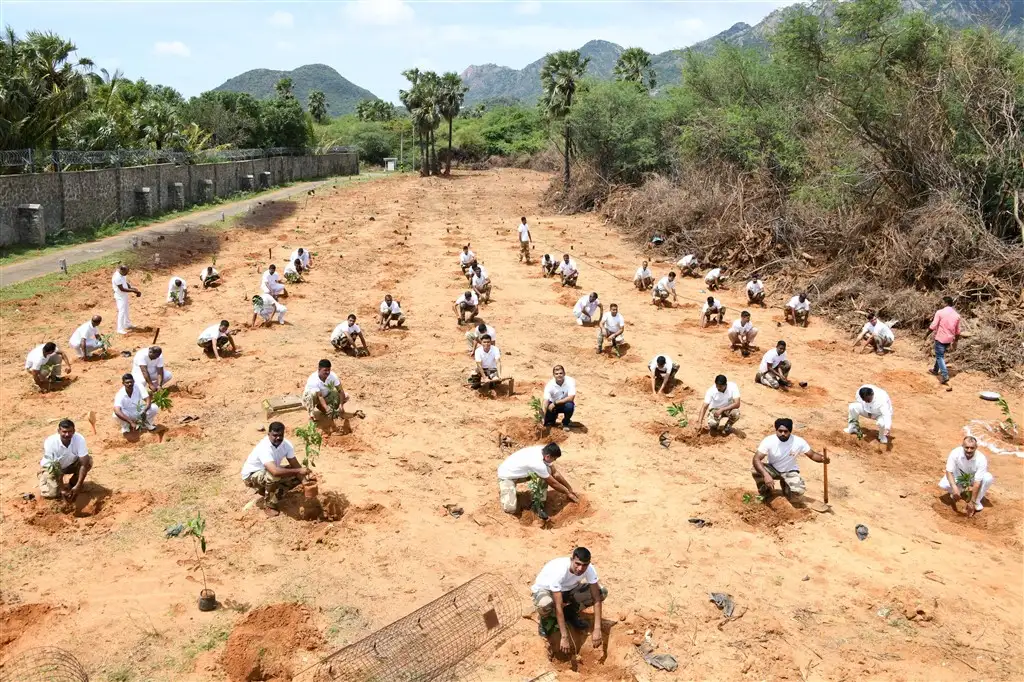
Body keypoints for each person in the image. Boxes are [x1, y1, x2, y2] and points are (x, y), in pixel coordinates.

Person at [532, 547, 606, 652]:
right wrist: (564, 636)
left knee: (602, 592)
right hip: (546, 590)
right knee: (545, 604)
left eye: (585, 565)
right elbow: (558, 605)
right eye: (578, 564)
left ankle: (570, 613)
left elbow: (596, 598)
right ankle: (546, 622)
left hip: (568, 589)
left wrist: (597, 629)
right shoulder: (559, 571)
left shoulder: (589, 569)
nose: (580, 568)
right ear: (571, 560)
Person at [241, 422, 311, 517]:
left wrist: (306, 483)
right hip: (251, 476)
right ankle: (269, 506)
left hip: (267, 472)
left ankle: (272, 493)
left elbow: (295, 465)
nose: (278, 438)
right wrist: (299, 471)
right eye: (275, 435)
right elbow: (275, 471)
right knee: (274, 475)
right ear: (269, 434)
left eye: (280, 435)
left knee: (296, 472)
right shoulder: (264, 447)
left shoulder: (287, 445)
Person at [752, 418, 828, 501]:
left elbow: (812, 454)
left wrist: (822, 459)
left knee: (798, 492)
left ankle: (786, 488)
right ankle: (766, 493)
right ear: (776, 430)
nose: (783, 433)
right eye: (780, 431)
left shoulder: (798, 442)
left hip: (790, 471)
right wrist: (766, 475)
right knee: (755, 470)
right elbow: (756, 459)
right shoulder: (769, 441)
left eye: (786, 431)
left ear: (790, 431)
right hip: (772, 469)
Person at [497, 443, 577, 519]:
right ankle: (512, 495)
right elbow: (553, 483)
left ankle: (539, 502)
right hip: (506, 476)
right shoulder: (537, 463)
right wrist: (567, 493)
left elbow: (555, 473)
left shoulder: (543, 451)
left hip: (519, 472)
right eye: (554, 458)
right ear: (548, 456)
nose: (554, 460)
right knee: (510, 509)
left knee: (548, 470)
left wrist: (569, 488)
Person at [39, 420, 93, 502]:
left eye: (70, 431)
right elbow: (55, 467)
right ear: (58, 431)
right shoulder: (51, 442)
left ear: (74, 431)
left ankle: (72, 484)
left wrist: (78, 485)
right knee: (52, 494)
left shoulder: (79, 439)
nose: (67, 434)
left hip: (69, 464)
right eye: (64, 432)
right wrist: (62, 488)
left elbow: (84, 464)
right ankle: (43, 477)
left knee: (88, 461)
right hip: (52, 468)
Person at [939, 436, 993, 516]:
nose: (969, 450)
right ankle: (959, 491)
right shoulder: (955, 453)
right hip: (959, 476)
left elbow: (977, 482)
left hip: (972, 479)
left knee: (988, 478)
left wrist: (972, 502)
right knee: (944, 485)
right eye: (966, 447)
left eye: (972, 448)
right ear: (962, 446)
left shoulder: (981, 459)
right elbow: (949, 471)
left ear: (976, 447)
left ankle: (977, 501)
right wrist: (954, 487)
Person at [925, 296, 961, 385]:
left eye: (942, 302)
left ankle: (945, 375)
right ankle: (935, 370)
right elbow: (958, 331)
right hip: (949, 339)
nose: (941, 304)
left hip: (941, 337)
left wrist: (926, 334)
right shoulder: (957, 315)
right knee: (940, 354)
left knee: (939, 356)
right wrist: (955, 341)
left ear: (945, 303)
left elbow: (933, 325)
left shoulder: (940, 312)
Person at [111, 265, 141, 335]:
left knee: (126, 310)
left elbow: (125, 282)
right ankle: (119, 329)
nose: (127, 273)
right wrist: (134, 291)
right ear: (122, 271)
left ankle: (127, 324)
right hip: (120, 297)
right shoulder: (117, 277)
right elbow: (122, 289)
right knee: (121, 312)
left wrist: (131, 287)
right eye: (126, 272)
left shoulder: (122, 274)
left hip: (124, 296)